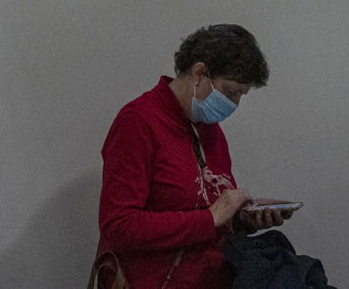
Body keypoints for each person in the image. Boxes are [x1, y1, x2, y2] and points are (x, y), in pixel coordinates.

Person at [96, 24, 294, 289]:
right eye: (231, 91)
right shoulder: (138, 122)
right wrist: (211, 218)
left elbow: (206, 208)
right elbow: (119, 227)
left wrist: (241, 217)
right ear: (200, 73)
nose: (234, 104)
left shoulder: (210, 130)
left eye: (241, 95)